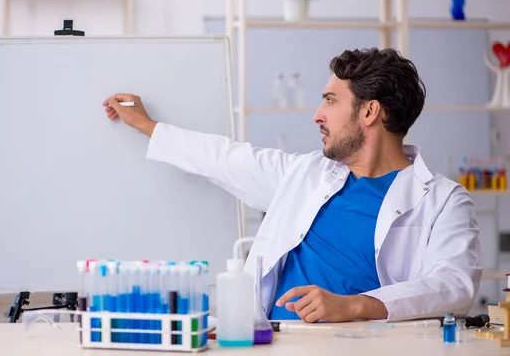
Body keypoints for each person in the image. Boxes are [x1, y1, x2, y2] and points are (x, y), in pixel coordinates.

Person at [102, 47, 482, 323]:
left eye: (331, 101)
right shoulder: (305, 174)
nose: (318, 115)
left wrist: (355, 304)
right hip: (273, 341)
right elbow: (223, 157)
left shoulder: (443, 200)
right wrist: (146, 125)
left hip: (362, 346)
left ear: (370, 111)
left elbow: (453, 284)